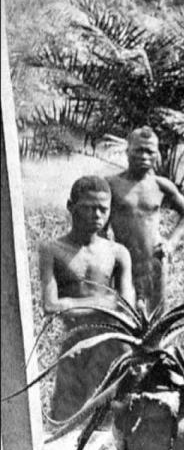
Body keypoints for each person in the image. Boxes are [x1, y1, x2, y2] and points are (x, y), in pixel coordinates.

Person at [39, 175, 135, 422]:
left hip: (113, 345)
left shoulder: (117, 253)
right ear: (71, 206)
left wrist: (71, 304)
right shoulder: (52, 251)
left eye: (103, 209)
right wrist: (107, 303)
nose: (97, 215)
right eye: (89, 208)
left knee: (121, 419)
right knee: (67, 419)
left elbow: (127, 307)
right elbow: (51, 306)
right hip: (76, 345)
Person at [106, 126, 184, 313]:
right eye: (139, 150)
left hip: (154, 260)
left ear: (157, 154)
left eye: (150, 151)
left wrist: (171, 243)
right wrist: (107, 248)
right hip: (123, 261)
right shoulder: (111, 185)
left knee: (156, 316)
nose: (144, 156)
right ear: (127, 151)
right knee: (125, 315)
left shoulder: (161, 185)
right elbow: (100, 224)